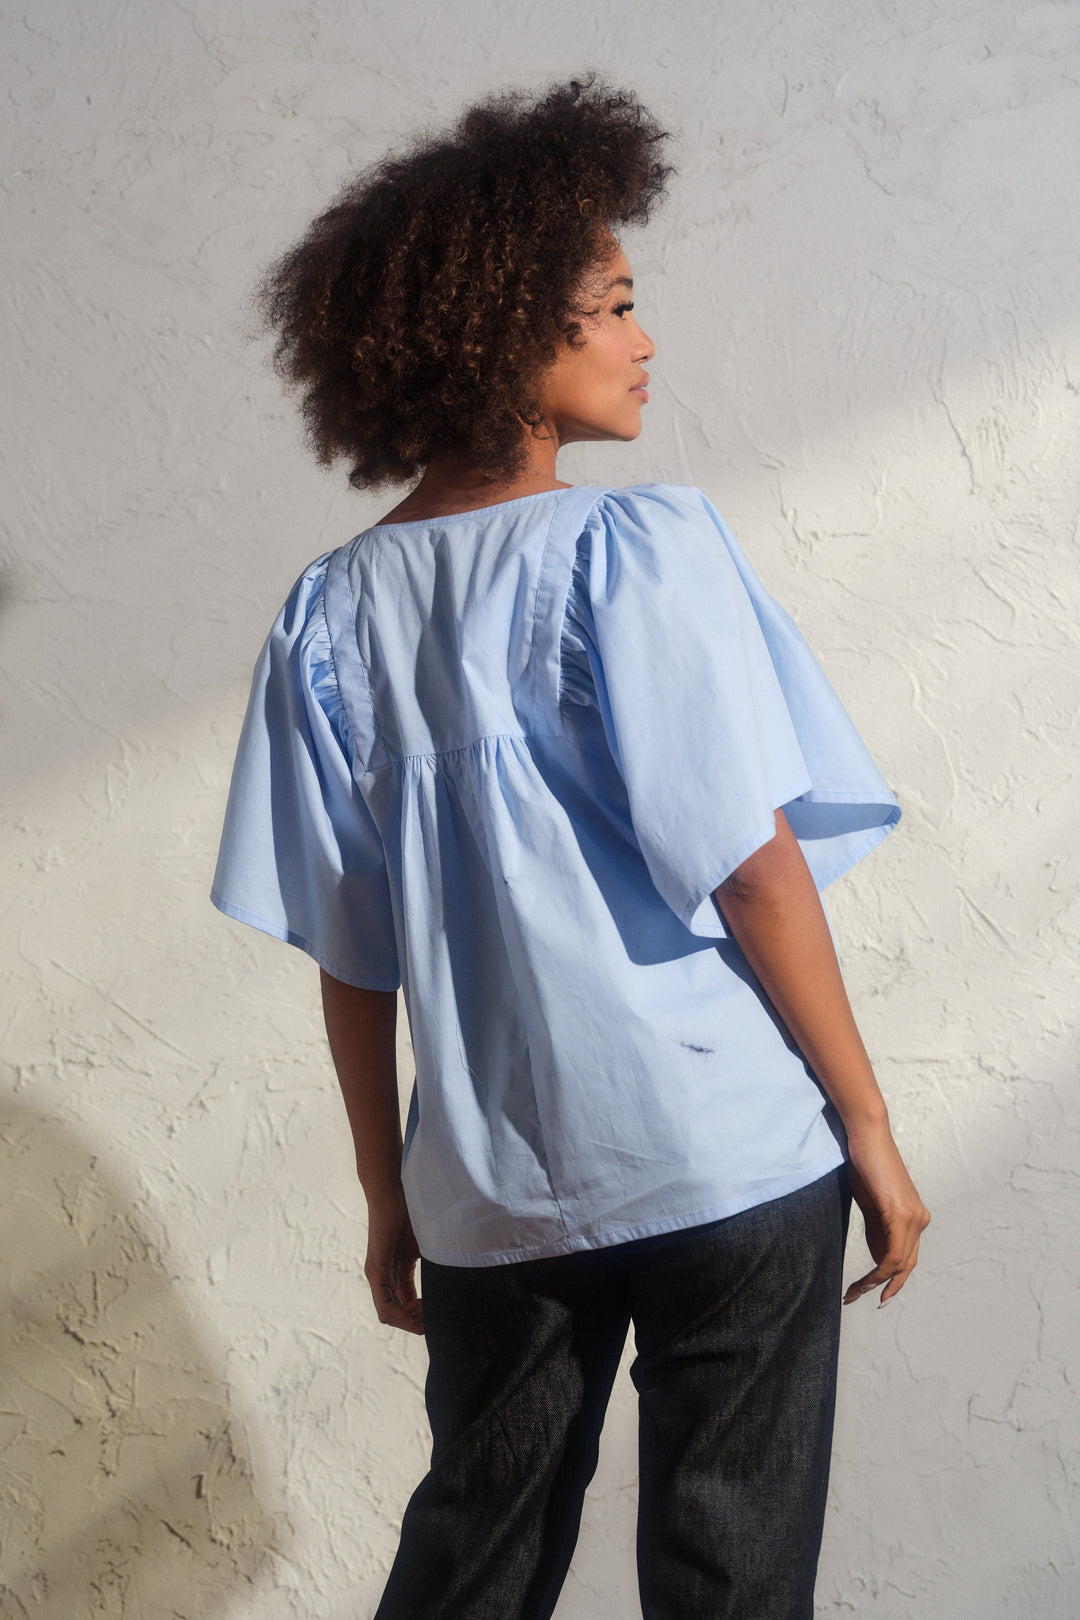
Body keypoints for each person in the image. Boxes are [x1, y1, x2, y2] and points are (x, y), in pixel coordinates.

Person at [211, 76, 930, 1620]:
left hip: (492, 1193)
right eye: (609, 308)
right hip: (727, 1159)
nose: (642, 340)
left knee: (470, 1564)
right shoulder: (636, 547)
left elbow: (351, 951)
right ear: (498, 336)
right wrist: (868, 1123)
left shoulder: (328, 615)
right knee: (731, 1580)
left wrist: (391, 1193)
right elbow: (751, 868)